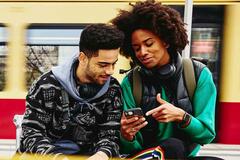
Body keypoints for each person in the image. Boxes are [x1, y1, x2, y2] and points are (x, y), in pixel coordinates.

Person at [111, 0, 217, 159]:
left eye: (148, 43)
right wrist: (127, 135)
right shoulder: (131, 82)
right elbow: (130, 148)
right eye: (136, 48)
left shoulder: (198, 74)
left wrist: (182, 117)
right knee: (173, 146)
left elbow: (207, 135)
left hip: (183, 155)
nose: (142, 52)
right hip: (144, 155)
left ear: (165, 41)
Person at [17, 24, 124, 160]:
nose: (110, 71)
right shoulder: (45, 85)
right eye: (103, 65)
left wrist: (101, 155)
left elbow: (110, 136)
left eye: (114, 63)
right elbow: (31, 133)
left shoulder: (113, 89)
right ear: (83, 58)